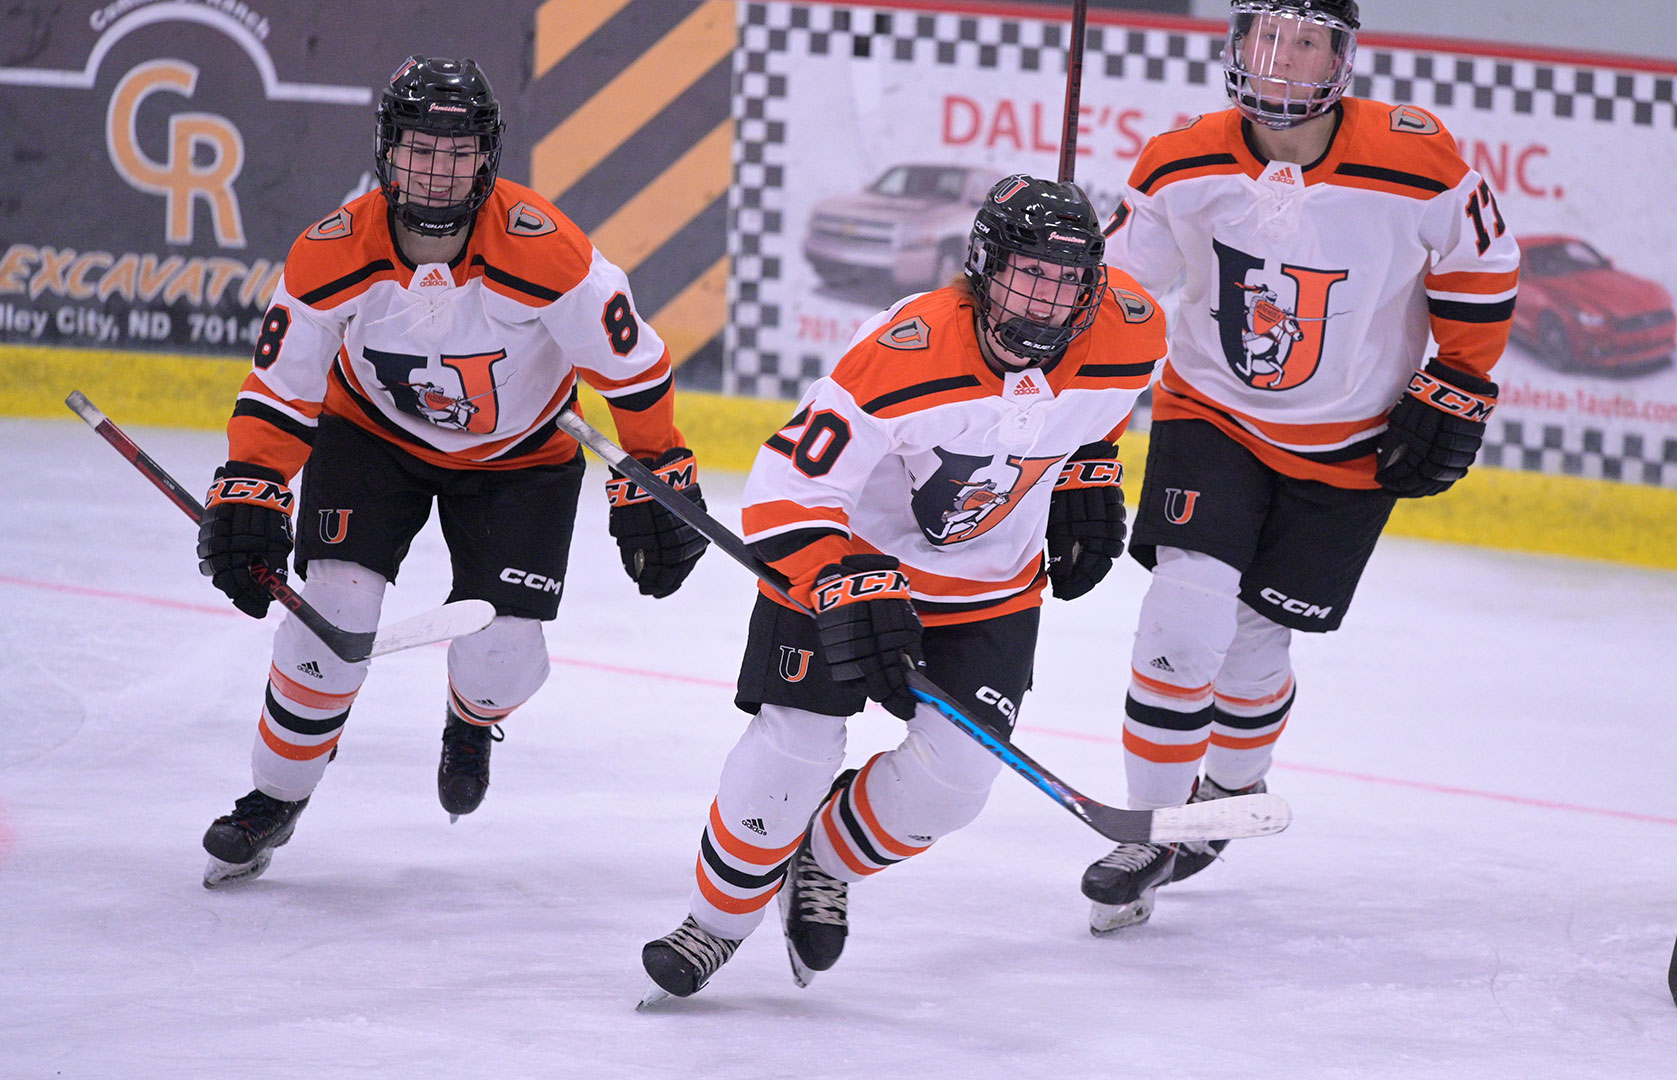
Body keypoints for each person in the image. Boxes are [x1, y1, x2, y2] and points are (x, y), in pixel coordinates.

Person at [636, 175, 1165, 1003]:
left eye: (1068, 281)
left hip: (989, 590)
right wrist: (843, 578)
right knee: (795, 750)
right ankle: (715, 923)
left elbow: (1098, 412)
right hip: (844, 576)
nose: (1046, 299)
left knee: (955, 783)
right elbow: (783, 490)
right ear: (983, 266)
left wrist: (1088, 469)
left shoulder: (1131, 332)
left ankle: (820, 860)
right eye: (1028, 273)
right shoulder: (905, 352)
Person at [194, 55, 706, 887]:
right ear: (388, 151)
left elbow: (634, 370)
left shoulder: (551, 251)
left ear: (488, 156)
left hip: (522, 459)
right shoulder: (331, 251)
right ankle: (273, 798)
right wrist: (252, 484)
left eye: (458, 151)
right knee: (334, 615)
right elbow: (281, 390)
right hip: (369, 439)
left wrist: (659, 469)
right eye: (420, 149)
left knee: (501, 659)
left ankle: (470, 717)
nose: (437, 171)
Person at [1080, 0, 1520, 932]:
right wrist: (1079, 416)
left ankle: (1232, 788)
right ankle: (1147, 826)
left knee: (1252, 641)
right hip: (1212, 416)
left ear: (1342, 55)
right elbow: (1121, 298)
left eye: (1305, 39)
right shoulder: (1180, 157)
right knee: (1184, 607)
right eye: (1262, 37)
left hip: (1354, 442)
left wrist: (1461, 382)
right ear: (1235, 46)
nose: (1279, 60)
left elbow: (1482, 268)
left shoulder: (1417, 156)